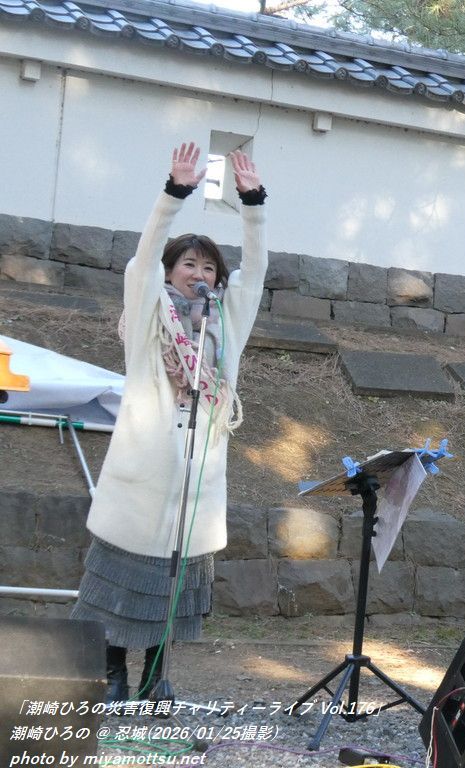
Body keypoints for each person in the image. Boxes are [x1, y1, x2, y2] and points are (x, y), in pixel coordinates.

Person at [70, 142, 268, 702]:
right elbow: (141, 261)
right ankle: (111, 673)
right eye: (188, 264)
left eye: (208, 268)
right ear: (170, 272)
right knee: (118, 582)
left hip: (197, 482)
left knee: (175, 589)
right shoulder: (147, 315)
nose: (198, 274)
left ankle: (156, 677)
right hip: (141, 476)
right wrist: (174, 193)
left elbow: (255, 273)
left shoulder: (225, 323)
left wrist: (253, 204)